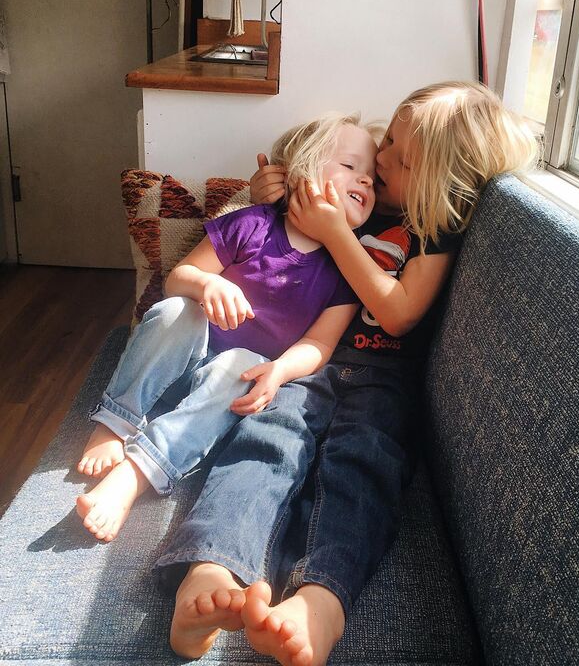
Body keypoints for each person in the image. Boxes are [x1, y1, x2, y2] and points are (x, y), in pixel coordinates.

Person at [152, 81, 538, 666]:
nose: (380, 157)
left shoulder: (434, 231)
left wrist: (336, 231)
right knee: (264, 442)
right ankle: (209, 569)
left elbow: (398, 313)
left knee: (362, 465)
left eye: (399, 157)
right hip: (306, 359)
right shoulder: (357, 194)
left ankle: (321, 602)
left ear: (436, 180)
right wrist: (270, 193)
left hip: (383, 380)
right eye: (387, 142)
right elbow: (276, 227)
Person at [74, 112, 379, 542]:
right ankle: (115, 422)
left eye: (372, 179)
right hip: (180, 358)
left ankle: (135, 474)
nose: (365, 181)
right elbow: (178, 278)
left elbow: (319, 343)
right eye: (350, 166)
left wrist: (280, 370)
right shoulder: (251, 223)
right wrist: (207, 284)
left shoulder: (348, 269)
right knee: (177, 311)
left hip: (223, 392)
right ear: (300, 172)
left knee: (242, 364)